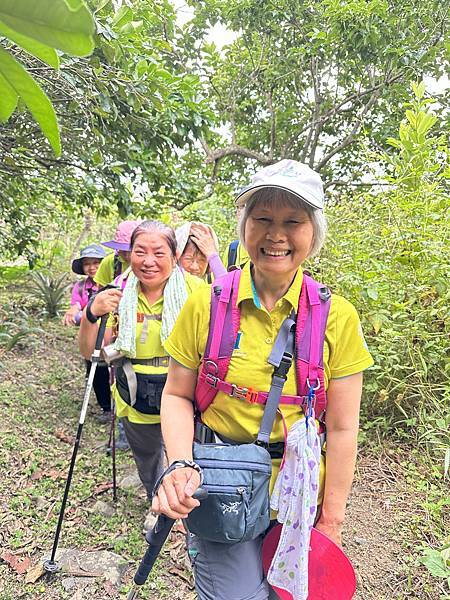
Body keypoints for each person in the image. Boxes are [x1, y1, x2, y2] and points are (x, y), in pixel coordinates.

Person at [153, 160, 374, 599]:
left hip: (299, 493)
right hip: (219, 483)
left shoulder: (337, 318)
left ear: (314, 233)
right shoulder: (206, 306)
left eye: (293, 221)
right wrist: (179, 465)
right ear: (244, 227)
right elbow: (177, 395)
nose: (277, 235)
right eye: (263, 219)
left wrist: (331, 520)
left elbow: (345, 427)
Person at [79, 220, 204, 530]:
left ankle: (179, 508)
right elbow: (88, 352)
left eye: (159, 252)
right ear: (129, 255)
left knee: (182, 456)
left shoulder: (195, 292)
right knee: (148, 458)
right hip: (134, 399)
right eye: (140, 252)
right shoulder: (117, 295)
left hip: (186, 398)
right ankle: (155, 498)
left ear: (175, 256)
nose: (148, 261)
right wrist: (91, 313)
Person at [63, 244, 111, 422]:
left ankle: (118, 408)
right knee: (95, 369)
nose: (92, 268)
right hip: (90, 336)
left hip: (110, 334)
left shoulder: (112, 282)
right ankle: (106, 407)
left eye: (96, 263)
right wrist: (72, 311)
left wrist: (82, 314)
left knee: (115, 370)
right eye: (87, 264)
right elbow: (76, 305)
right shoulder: (81, 287)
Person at [94, 220, 141, 288]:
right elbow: (101, 290)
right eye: (123, 251)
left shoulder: (149, 264)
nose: (127, 256)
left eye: (130, 251)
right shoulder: (109, 262)